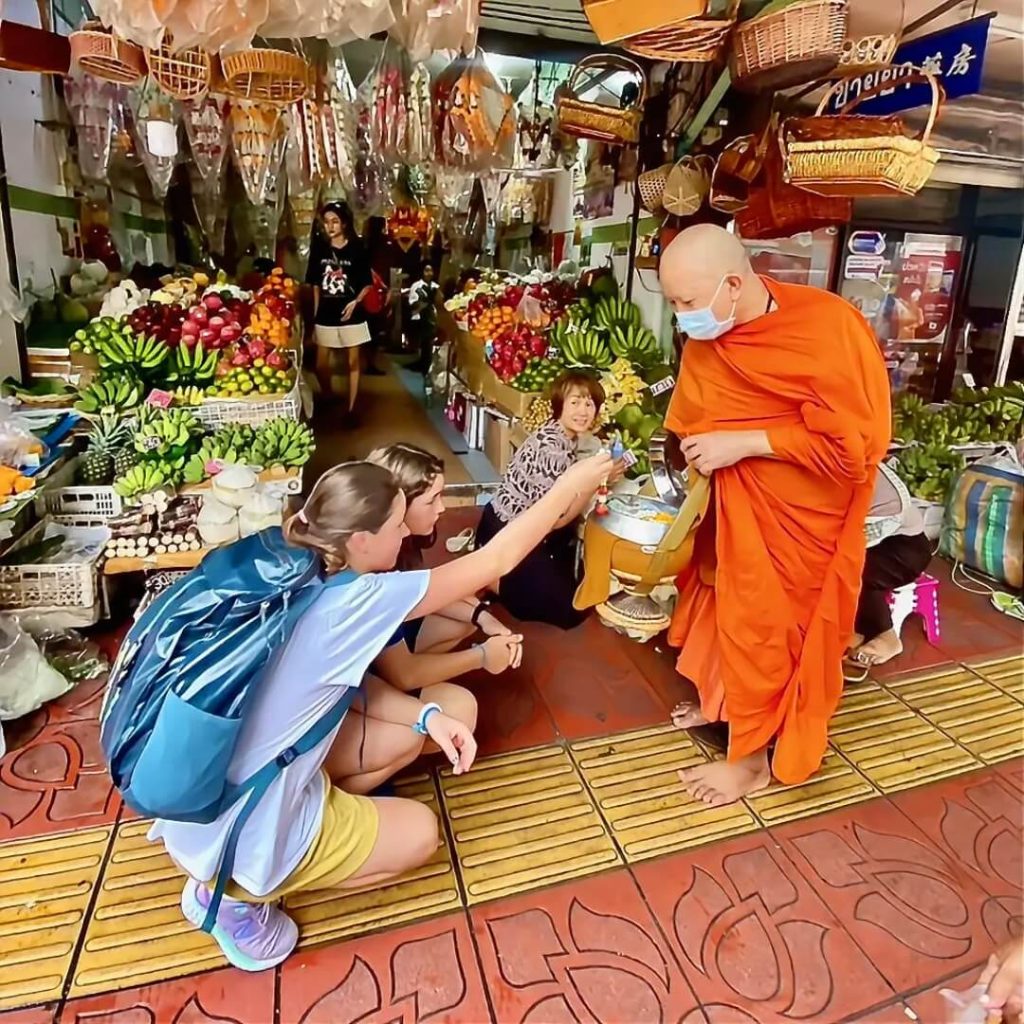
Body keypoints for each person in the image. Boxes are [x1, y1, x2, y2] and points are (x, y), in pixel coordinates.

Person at [154, 452, 612, 972]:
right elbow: (496, 561)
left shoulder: (292, 556)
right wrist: (572, 483)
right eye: (396, 526)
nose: (402, 538)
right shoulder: (357, 600)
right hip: (240, 827)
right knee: (421, 834)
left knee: (411, 731)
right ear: (360, 540)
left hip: (198, 793)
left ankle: (234, 870)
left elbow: (338, 682)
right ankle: (238, 902)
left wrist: (425, 718)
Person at [660, 223, 891, 806]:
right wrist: (693, 454)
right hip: (731, 509)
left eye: (688, 302)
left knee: (764, 632)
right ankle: (724, 706)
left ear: (734, 285)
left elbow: (853, 450)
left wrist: (747, 443)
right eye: (673, 302)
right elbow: (690, 414)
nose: (682, 315)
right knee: (723, 614)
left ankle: (750, 763)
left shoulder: (827, 326)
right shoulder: (709, 341)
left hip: (801, 519)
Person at [368, 443, 522, 702]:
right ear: (399, 504)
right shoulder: (374, 575)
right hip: (368, 682)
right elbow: (402, 674)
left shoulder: (400, 544)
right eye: (432, 500)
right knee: (462, 707)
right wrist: (482, 656)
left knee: (468, 606)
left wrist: (485, 619)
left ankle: (420, 675)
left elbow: (425, 591)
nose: (441, 508)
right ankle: (407, 687)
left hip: (393, 647)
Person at [476, 370, 622, 629]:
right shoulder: (553, 448)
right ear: (559, 405)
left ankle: (504, 575)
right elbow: (555, 520)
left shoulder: (564, 436)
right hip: (507, 532)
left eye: (589, 404)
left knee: (566, 575)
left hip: (508, 525)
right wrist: (595, 483)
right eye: (575, 402)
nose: (583, 411)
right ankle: (493, 580)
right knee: (569, 612)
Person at [845, 461, 932, 676]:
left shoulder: (861, 476)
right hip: (881, 542)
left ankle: (887, 636)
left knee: (855, 575)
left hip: (904, 549)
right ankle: (851, 628)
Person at [305, 202, 374, 415]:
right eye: (326, 222)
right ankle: (329, 393)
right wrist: (316, 316)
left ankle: (352, 408)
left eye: (335, 221)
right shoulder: (319, 249)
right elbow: (316, 284)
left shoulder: (357, 248)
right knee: (320, 364)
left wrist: (356, 302)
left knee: (353, 362)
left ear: (344, 224)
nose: (330, 226)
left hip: (351, 313)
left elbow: (367, 283)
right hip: (326, 312)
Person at [408, 262, 440, 374]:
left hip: (433, 318)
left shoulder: (437, 287)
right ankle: (423, 363)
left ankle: (427, 363)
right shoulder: (416, 286)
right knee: (425, 339)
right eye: (426, 270)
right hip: (419, 318)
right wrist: (425, 303)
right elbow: (413, 304)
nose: (429, 273)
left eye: (431, 271)